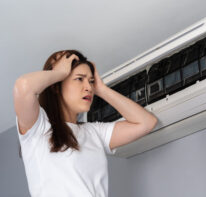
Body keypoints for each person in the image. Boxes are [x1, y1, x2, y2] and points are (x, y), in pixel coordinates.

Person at [13, 50, 158, 197]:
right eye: (79, 79)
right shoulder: (39, 126)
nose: (88, 87)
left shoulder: (94, 132)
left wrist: (101, 89)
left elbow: (146, 122)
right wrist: (61, 73)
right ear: (56, 85)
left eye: (90, 81)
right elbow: (23, 86)